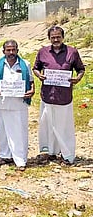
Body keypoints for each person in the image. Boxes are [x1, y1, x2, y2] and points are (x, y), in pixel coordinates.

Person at [33, 25, 85, 166]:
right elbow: (36, 68)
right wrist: (39, 75)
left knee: (64, 127)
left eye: (58, 37)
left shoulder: (72, 52)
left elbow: (80, 69)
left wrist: (78, 78)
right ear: (49, 38)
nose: (55, 39)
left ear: (63, 37)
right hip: (47, 95)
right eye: (53, 37)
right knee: (47, 124)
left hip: (64, 97)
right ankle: (50, 152)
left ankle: (67, 155)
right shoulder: (43, 52)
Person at [0, 40, 35, 171]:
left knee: (19, 131)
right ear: (3, 51)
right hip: (3, 103)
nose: (11, 52)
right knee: (3, 130)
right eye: (8, 50)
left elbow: (31, 81)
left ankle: (20, 160)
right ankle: (5, 156)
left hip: (19, 104)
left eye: (13, 50)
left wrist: (32, 91)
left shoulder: (25, 64)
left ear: (17, 50)